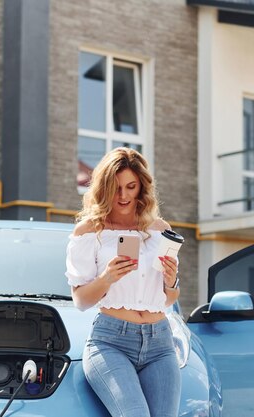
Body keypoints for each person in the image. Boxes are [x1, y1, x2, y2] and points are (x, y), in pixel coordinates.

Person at [65, 147, 181, 417]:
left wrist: (171, 280)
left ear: (141, 187)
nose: (124, 195)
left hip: (160, 343)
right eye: (116, 188)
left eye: (131, 186)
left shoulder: (159, 229)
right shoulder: (89, 231)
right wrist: (107, 278)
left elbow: (169, 300)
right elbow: (81, 300)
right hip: (111, 342)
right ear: (104, 188)